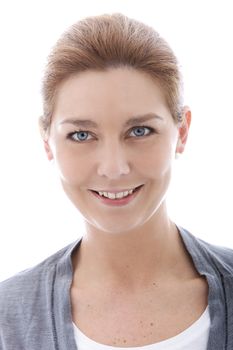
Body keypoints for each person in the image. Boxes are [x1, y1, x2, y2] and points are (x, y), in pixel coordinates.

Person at [0, 12, 232, 350]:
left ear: (182, 132)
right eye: (81, 135)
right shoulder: (8, 320)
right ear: (46, 140)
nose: (113, 168)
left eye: (140, 131)